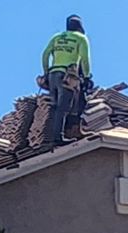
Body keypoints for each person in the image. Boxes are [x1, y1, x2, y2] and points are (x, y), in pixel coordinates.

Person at [40, 14, 93, 143]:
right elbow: (85, 60)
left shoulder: (56, 37)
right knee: (65, 107)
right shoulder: (81, 38)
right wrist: (86, 77)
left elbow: (45, 54)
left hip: (53, 74)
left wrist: (46, 72)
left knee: (54, 106)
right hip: (68, 76)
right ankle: (58, 137)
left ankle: (50, 135)